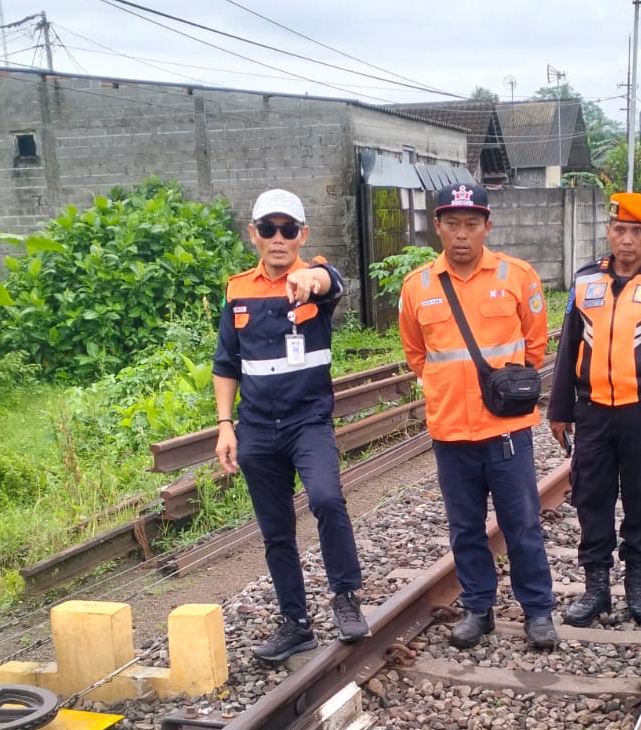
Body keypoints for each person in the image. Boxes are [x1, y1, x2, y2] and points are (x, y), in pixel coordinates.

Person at [398, 182, 558, 650]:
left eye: (471, 223)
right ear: (438, 227)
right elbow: (416, 354)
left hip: (506, 430)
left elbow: (535, 345)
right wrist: (451, 389)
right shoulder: (417, 286)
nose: (462, 234)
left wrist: (506, 390)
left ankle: (538, 611)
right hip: (450, 431)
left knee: (521, 525)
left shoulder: (517, 276)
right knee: (465, 528)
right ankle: (477, 608)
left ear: (487, 226)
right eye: (452, 223)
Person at [213, 188, 369, 664]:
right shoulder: (237, 290)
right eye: (269, 229)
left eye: (287, 229)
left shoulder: (317, 279)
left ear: (303, 234)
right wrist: (225, 425)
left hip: (308, 422)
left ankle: (346, 597)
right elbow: (226, 364)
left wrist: (309, 278)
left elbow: (331, 280)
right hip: (257, 428)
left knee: (326, 499)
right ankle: (295, 623)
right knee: (275, 528)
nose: (278, 238)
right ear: (253, 235)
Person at [547, 191, 641, 626]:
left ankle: (637, 580)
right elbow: (568, 346)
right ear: (609, 232)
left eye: (636, 231)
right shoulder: (584, 282)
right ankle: (596, 587)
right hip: (592, 412)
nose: (626, 239)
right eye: (619, 229)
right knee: (591, 497)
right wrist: (559, 410)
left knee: (640, 497)